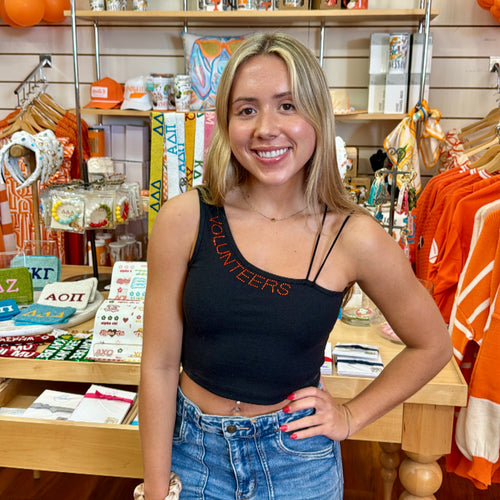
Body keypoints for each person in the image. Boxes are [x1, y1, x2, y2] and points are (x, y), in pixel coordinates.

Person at [139, 32, 452, 500]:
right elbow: (160, 365)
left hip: (296, 464)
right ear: (226, 124)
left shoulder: (355, 236)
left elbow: (432, 345)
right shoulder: (185, 218)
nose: (267, 127)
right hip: (193, 455)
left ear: (318, 118)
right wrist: (157, 486)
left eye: (288, 106)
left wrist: (349, 416)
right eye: (247, 109)